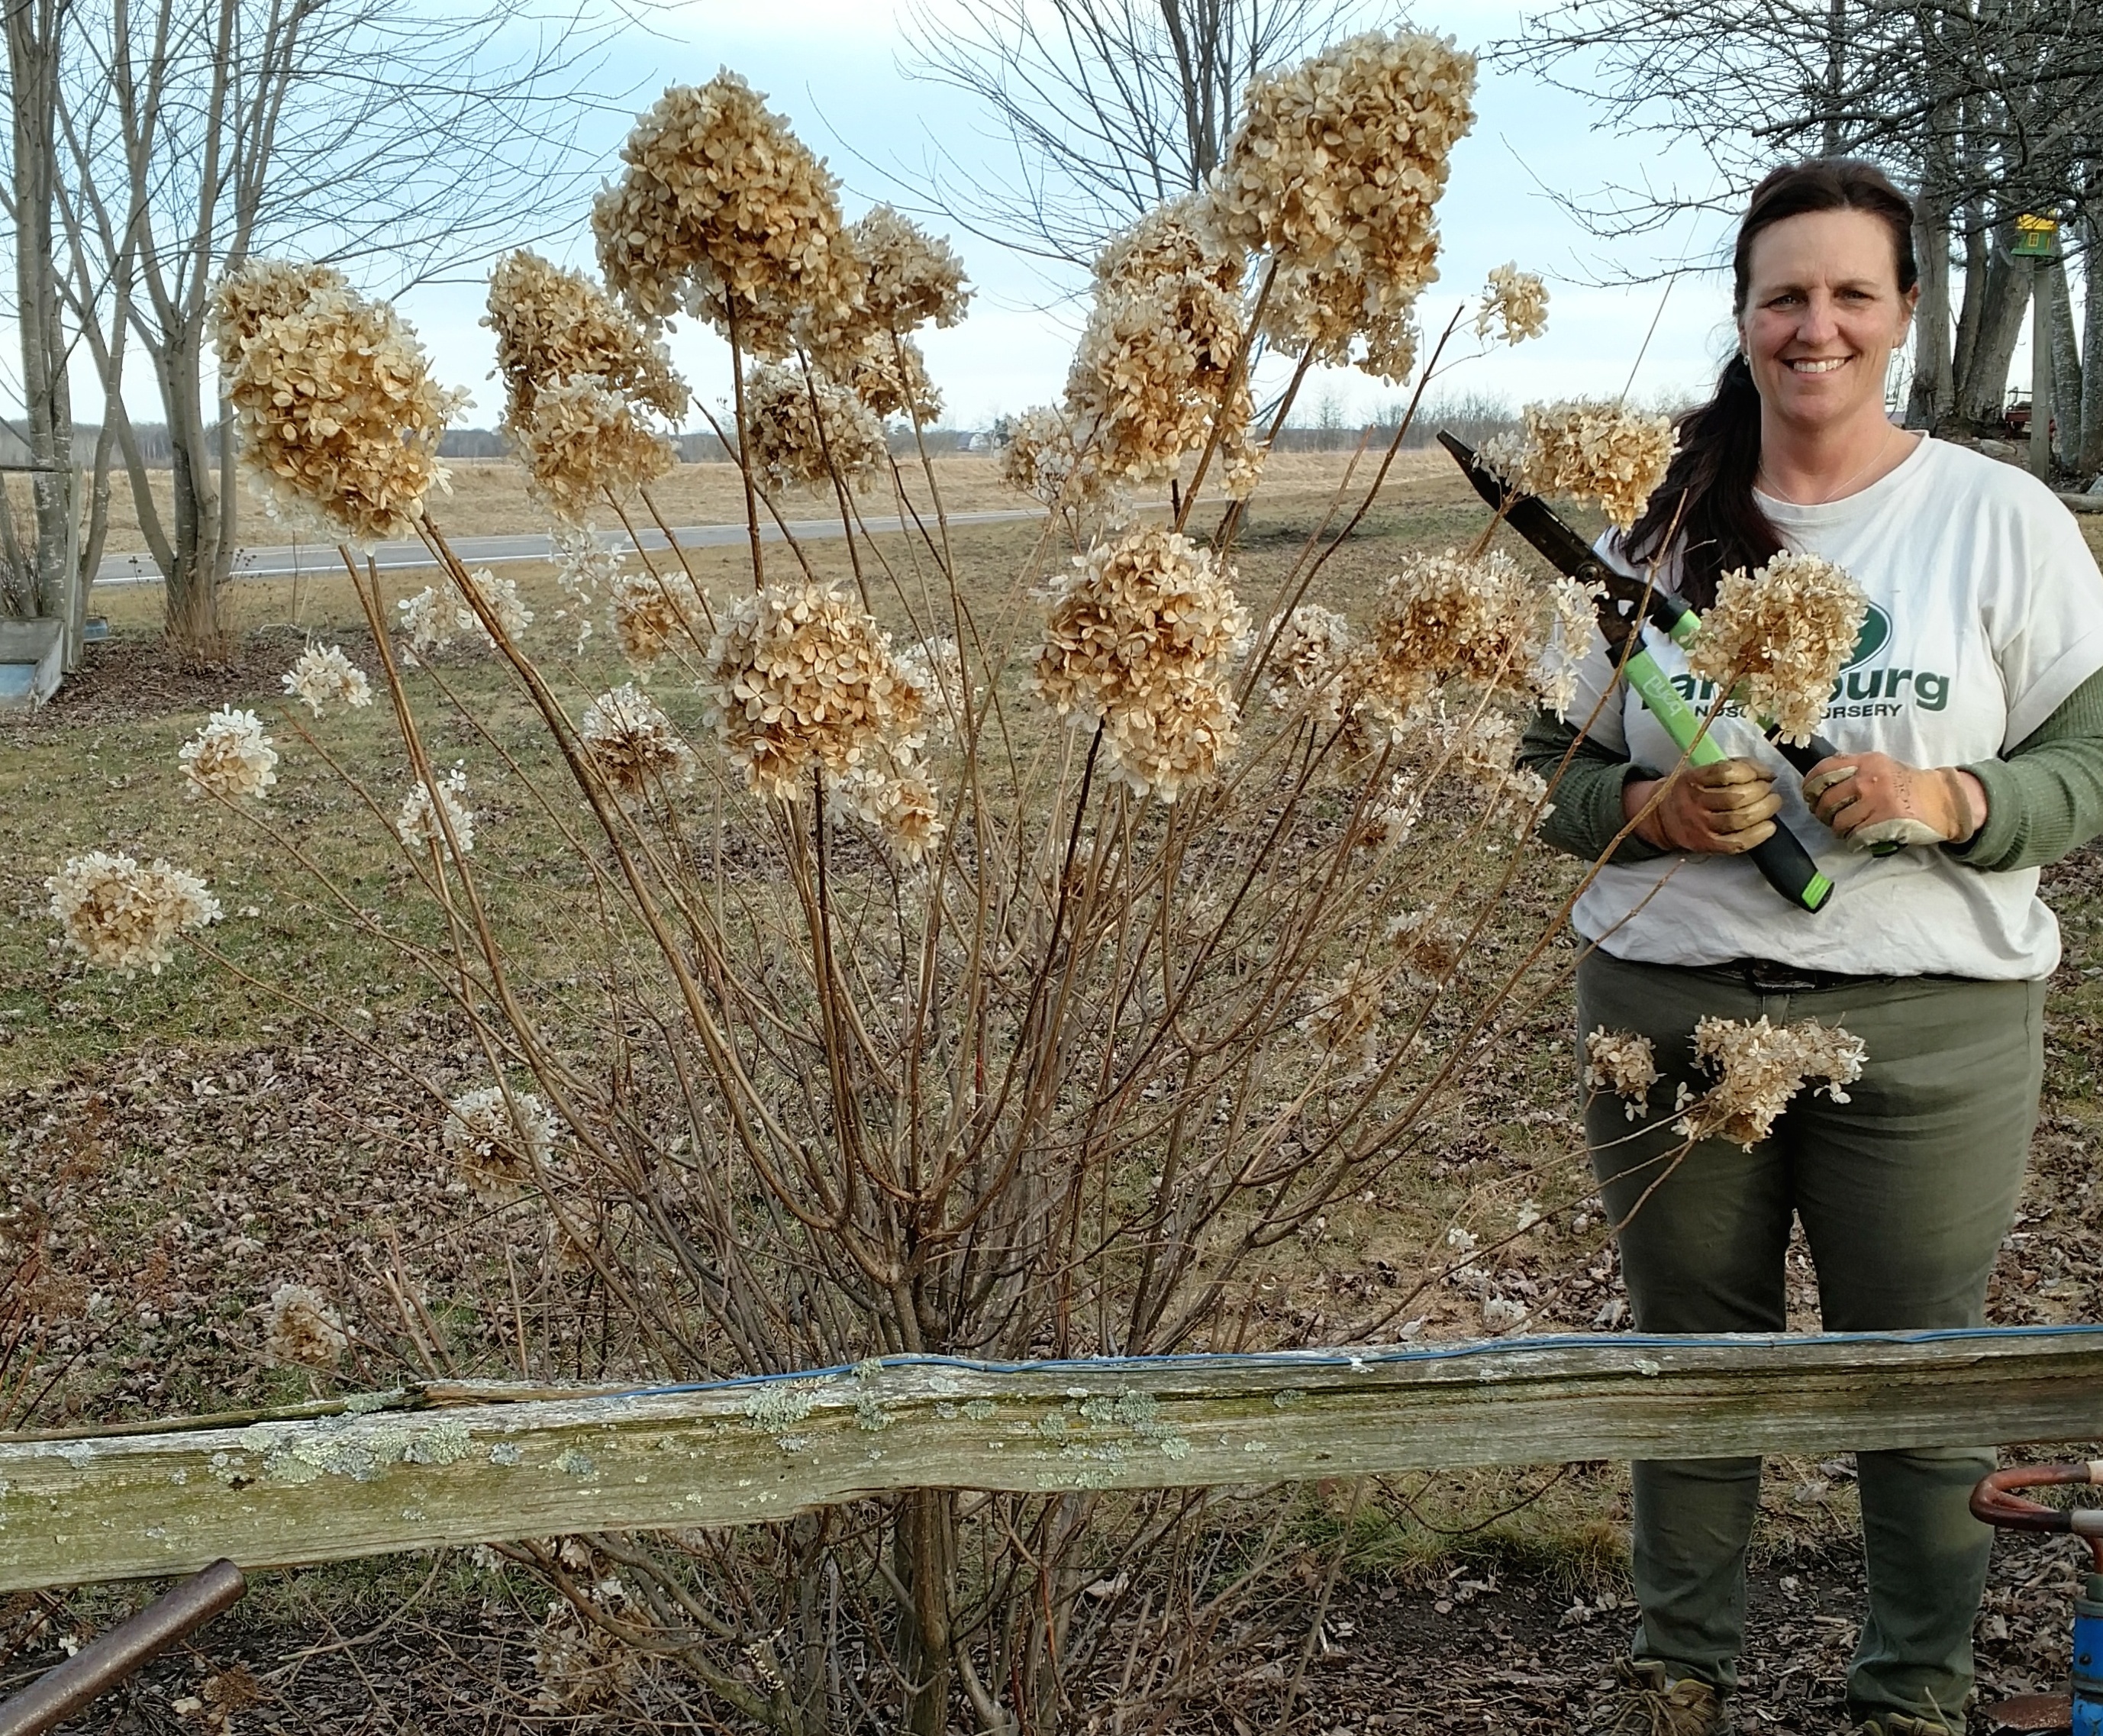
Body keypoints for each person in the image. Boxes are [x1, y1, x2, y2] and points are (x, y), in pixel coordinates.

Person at [1518, 159, 2103, 1736]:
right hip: (1670, 1014)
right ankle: (1676, 1680)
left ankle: (1912, 1692)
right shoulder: (1649, 533)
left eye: (1852, 293)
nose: (1816, 325)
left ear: (1905, 312)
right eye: (1785, 295)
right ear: (1743, 316)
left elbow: (2091, 760)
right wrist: (1646, 809)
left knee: (1918, 1382)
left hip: (1931, 1031)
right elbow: (1544, 766)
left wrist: (1956, 797)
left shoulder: (2001, 521)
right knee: (1692, 1371)